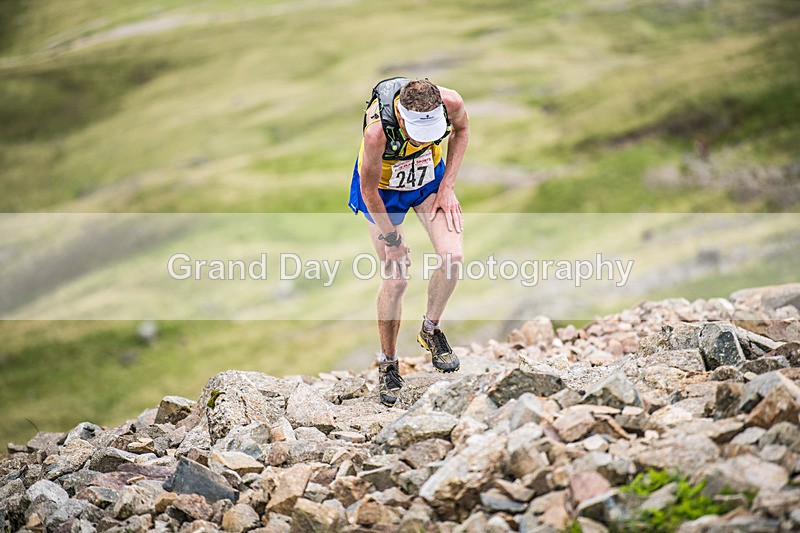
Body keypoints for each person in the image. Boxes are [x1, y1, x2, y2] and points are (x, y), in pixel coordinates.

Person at [348, 77, 470, 406]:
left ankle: (430, 331)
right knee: (397, 279)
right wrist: (391, 239)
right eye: (417, 132)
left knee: (453, 257)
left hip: (429, 182)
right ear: (401, 116)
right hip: (383, 192)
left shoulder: (451, 103)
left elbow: (462, 131)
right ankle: (388, 364)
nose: (421, 139)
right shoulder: (377, 133)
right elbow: (368, 191)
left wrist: (447, 186)